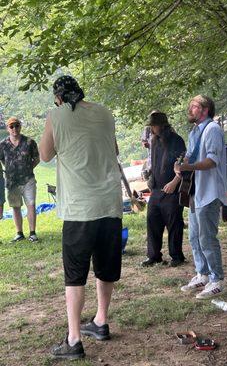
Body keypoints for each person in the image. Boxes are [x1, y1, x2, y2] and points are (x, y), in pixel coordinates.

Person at [39, 75, 123, 360]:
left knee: (75, 275)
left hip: (79, 209)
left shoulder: (56, 115)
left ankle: (74, 339)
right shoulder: (104, 111)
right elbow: (115, 150)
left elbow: (45, 154)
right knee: (105, 267)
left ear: (58, 97)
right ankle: (100, 321)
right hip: (110, 204)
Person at [174, 95, 227, 299]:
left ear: (205, 110)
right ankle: (202, 274)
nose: (190, 109)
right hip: (195, 190)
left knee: (207, 237)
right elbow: (191, 156)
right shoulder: (195, 131)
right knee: (194, 236)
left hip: (210, 190)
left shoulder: (212, 129)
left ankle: (217, 279)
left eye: (194, 106)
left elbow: (212, 161)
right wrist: (180, 165)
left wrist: (190, 166)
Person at [141, 112, 186, 267]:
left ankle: (177, 256)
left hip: (172, 189)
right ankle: (154, 256)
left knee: (174, 223)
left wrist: (175, 182)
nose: (152, 129)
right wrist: (149, 176)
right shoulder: (154, 141)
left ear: (162, 125)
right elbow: (153, 163)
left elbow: (183, 163)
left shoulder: (176, 140)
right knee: (152, 222)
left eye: (154, 125)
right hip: (157, 189)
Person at [0, 117, 40, 242]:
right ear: (7, 128)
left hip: (28, 179)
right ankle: (19, 233)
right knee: (15, 207)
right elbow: (1, 159)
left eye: (16, 125)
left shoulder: (29, 142)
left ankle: (32, 233)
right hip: (12, 181)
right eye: (11, 126)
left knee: (31, 204)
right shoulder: (3, 145)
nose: (14, 129)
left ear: (20, 126)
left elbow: (37, 158)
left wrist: (28, 168)